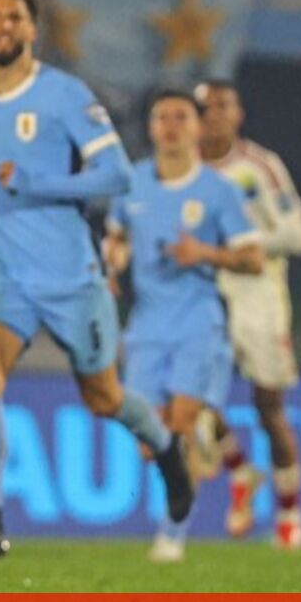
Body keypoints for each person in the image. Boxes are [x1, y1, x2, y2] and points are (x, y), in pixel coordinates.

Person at [0, 0, 193, 560]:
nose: (3, 26)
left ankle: (166, 447)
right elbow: (0, 171)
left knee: (104, 398)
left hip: (69, 274)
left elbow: (116, 175)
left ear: (32, 29)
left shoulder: (64, 94)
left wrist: (37, 183)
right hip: (5, 265)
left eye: (14, 16)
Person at [104, 90, 264, 562]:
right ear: (151, 127)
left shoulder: (219, 191)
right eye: (162, 117)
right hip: (146, 325)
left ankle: (172, 534)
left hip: (198, 321)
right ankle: (212, 444)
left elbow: (253, 258)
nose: (171, 125)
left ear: (197, 128)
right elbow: (116, 238)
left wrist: (205, 253)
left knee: (179, 424)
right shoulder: (132, 183)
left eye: (181, 117)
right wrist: (112, 263)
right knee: (149, 443)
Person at [195, 79, 301, 547]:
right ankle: (240, 470)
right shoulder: (182, 172)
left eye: (223, 106)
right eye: (206, 108)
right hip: (203, 292)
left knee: (268, 406)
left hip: (258, 292)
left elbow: (299, 235)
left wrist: (244, 246)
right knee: (192, 394)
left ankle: (289, 514)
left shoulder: (259, 166)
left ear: (238, 114)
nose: (214, 115)